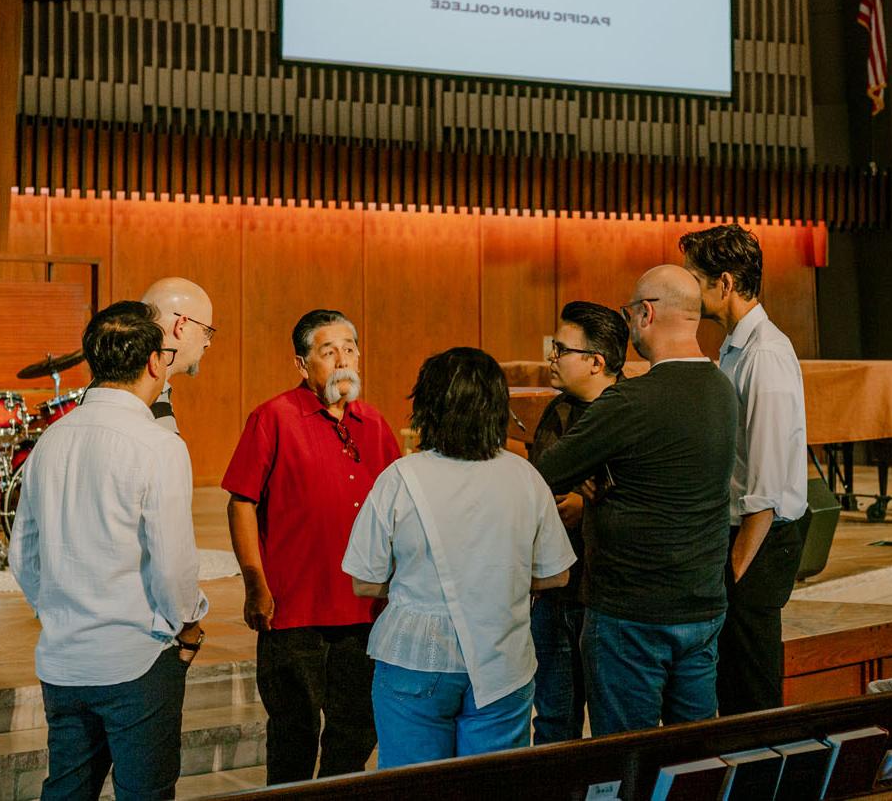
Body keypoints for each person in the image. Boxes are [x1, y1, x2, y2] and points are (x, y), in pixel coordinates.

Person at [9, 300, 208, 800]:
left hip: (63, 657)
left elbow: (23, 557)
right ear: (155, 362)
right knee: (145, 793)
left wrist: (59, 611)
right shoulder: (157, 444)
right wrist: (188, 627)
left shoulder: (50, 439)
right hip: (134, 657)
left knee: (67, 791)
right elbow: (171, 564)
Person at [343, 347, 575, 768]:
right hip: (502, 655)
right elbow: (556, 575)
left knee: (415, 788)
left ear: (428, 406)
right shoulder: (525, 477)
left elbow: (364, 580)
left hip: (417, 656)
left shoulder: (401, 477)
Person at [534, 265, 738, 735]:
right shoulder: (722, 389)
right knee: (695, 760)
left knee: (629, 760)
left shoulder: (630, 401)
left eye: (629, 314)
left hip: (632, 613)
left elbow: (544, 474)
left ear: (646, 314)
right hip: (703, 606)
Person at [221, 310, 401, 784]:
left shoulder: (375, 423)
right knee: (294, 732)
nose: (343, 360)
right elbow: (241, 503)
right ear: (303, 365)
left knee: (356, 731)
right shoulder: (273, 417)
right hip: (293, 610)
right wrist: (255, 583)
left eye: (350, 349)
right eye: (329, 351)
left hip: (364, 611)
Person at [681, 224, 811, 715]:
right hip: (742, 533)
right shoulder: (737, 346)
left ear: (726, 283)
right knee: (730, 688)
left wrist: (733, 573)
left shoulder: (764, 355)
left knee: (751, 696)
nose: (689, 290)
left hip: (759, 540)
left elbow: (767, 486)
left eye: (696, 278)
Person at [527, 301, 628, 744]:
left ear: (595, 361)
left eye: (561, 349)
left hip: (607, 595)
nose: (551, 357)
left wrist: (588, 507)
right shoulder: (558, 412)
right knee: (553, 720)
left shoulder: (632, 412)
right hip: (556, 591)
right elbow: (536, 481)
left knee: (614, 724)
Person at [140, 277, 216, 433]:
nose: (208, 343)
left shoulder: (125, 381)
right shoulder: (145, 390)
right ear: (181, 326)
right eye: (206, 331)